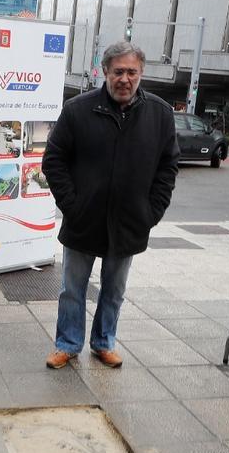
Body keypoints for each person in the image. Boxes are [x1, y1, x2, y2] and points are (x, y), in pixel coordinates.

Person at [42, 41, 180, 370]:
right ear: (104, 72)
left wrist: (151, 213)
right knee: (72, 289)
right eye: (118, 71)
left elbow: (168, 167)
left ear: (141, 73)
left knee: (114, 289)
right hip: (83, 220)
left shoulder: (159, 114)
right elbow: (54, 160)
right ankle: (68, 344)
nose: (124, 79)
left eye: (132, 72)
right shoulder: (78, 110)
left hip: (129, 222)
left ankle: (104, 343)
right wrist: (72, 206)